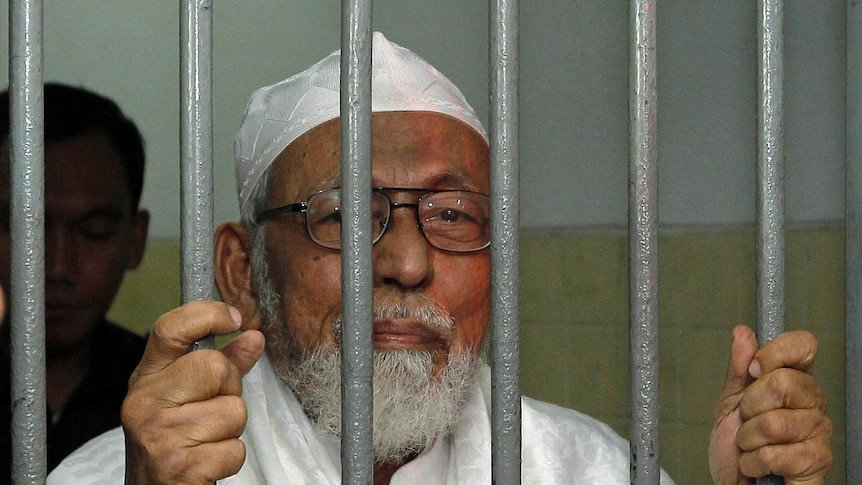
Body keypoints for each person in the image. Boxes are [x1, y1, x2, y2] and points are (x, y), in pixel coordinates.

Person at [49, 33, 831, 484]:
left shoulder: (588, 470)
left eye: (454, 214)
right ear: (242, 271)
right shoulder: (114, 477)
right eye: (348, 215)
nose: (410, 262)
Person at [0, 83, 150, 476]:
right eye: (23, 229)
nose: (57, 268)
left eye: (94, 230)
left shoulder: (164, 391)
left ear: (136, 239)